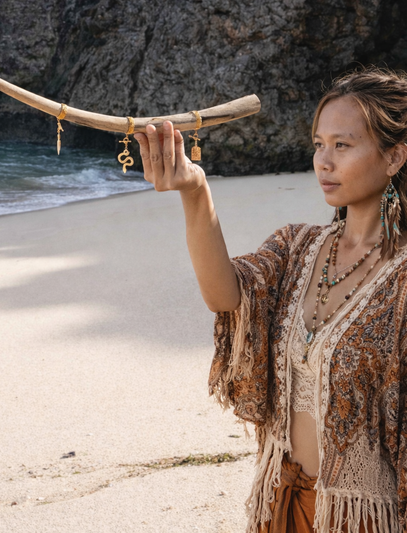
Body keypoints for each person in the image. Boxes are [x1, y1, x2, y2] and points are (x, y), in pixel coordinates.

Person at [133, 68, 407, 533]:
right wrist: (195, 191)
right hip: (279, 501)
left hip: (360, 518)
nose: (324, 161)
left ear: (395, 156)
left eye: (343, 145)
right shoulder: (297, 248)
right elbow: (226, 297)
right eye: (319, 144)